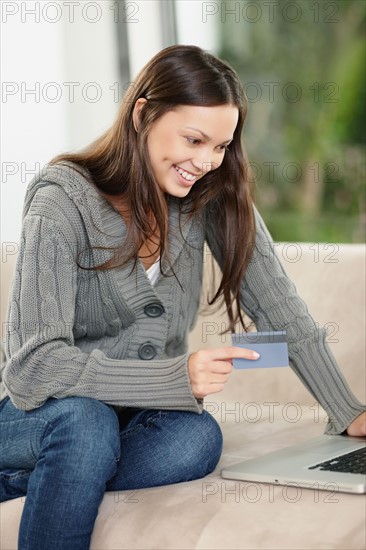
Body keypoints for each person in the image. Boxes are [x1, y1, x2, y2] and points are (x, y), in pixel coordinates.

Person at [0, 44, 365, 549]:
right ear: (143, 113)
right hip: (37, 415)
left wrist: (348, 410)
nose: (207, 162)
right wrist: (175, 376)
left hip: (132, 417)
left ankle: (25, 483)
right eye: (194, 139)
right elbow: (31, 369)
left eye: (220, 146)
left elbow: (281, 310)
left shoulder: (210, 196)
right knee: (86, 423)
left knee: (195, 439)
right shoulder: (62, 199)